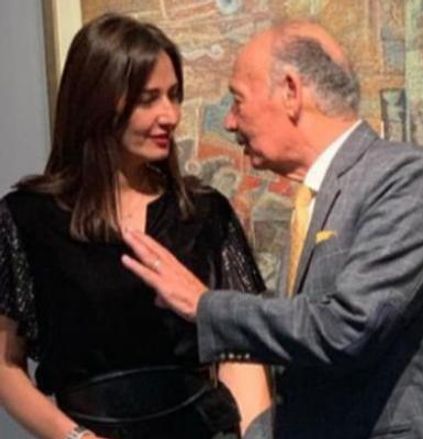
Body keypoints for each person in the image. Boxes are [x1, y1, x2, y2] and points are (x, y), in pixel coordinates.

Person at [122, 20, 423, 439]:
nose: (230, 122)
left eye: (238, 101)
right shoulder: (315, 200)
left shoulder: (405, 178)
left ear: (290, 91)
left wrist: (204, 305)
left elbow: (348, 328)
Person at [0, 13, 271, 439]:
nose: (171, 115)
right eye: (149, 99)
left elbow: (240, 352)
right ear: (97, 100)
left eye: (174, 96)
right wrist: (75, 437)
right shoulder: (27, 217)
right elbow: (5, 365)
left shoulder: (203, 212)